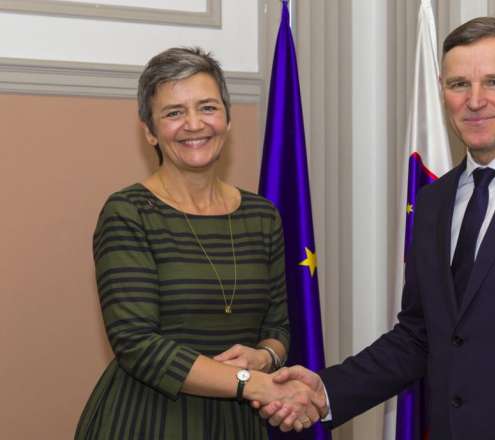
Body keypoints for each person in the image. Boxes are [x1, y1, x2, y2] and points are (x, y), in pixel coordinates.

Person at [258, 17, 495, 439]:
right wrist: (326, 391)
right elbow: (418, 336)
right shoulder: (433, 201)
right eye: (459, 84)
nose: (475, 100)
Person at [75, 47, 322, 439]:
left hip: (240, 423)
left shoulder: (261, 215)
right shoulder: (128, 212)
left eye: (207, 107)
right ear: (150, 131)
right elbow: (137, 344)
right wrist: (250, 381)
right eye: (174, 113)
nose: (194, 124)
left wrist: (265, 356)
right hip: (150, 420)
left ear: (226, 118)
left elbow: (279, 325)